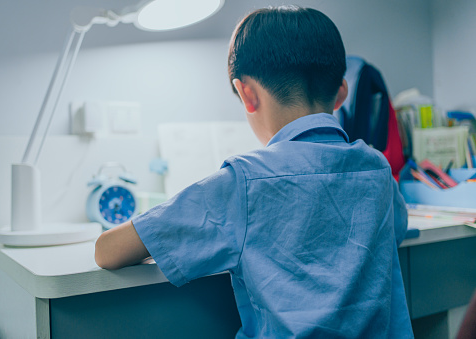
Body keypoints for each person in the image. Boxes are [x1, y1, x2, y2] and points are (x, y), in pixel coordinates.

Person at [95, 6, 413, 338]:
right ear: (341, 93)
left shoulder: (243, 182)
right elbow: (397, 228)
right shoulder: (377, 168)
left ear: (247, 93)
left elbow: (108, 251)